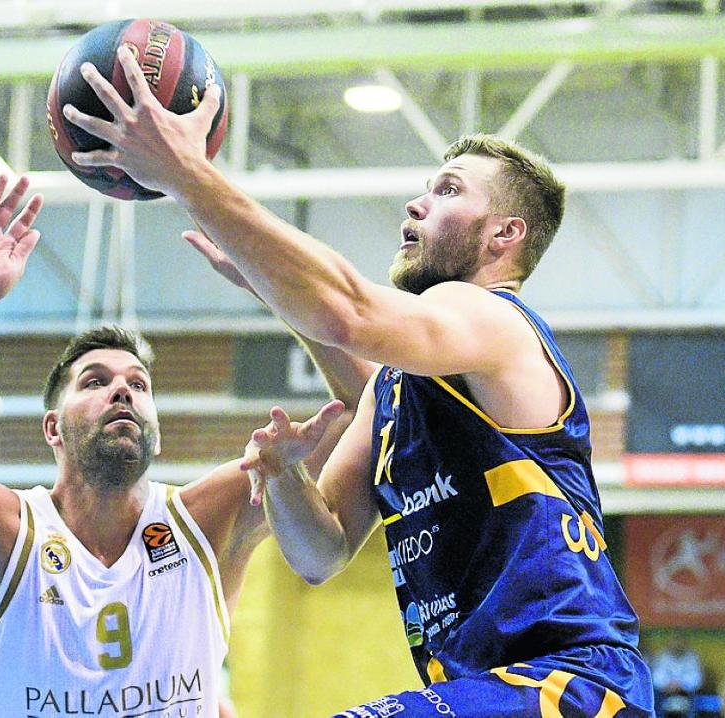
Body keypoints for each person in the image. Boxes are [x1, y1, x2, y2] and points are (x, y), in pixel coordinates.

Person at [61, 48, 654, 715]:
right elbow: (322, 551)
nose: (418, 200)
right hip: (482, 692)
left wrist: (189, 175)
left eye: (450, 189)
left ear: (504, 236)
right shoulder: (396, 389)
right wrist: (285, 475)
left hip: (570, 684)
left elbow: (345, 312)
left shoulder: (490, 317)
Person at [0, 175, 359, 716]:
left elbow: (371, 402)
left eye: (138, 384)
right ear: (53, 429)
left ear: (155, 428)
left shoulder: (209, 517)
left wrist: (271, 285)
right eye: (95, 381)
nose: (123, 388)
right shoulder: (1, 530)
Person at [650, 633, 704, 717]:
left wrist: (681, 685)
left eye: (680, 643)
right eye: (675, 642)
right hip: (665, 694)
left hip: (686, 694)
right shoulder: (662, 656)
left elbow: (696, 679)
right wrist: (668, 684)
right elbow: (656, 677)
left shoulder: (692, 657)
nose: (677, 645)